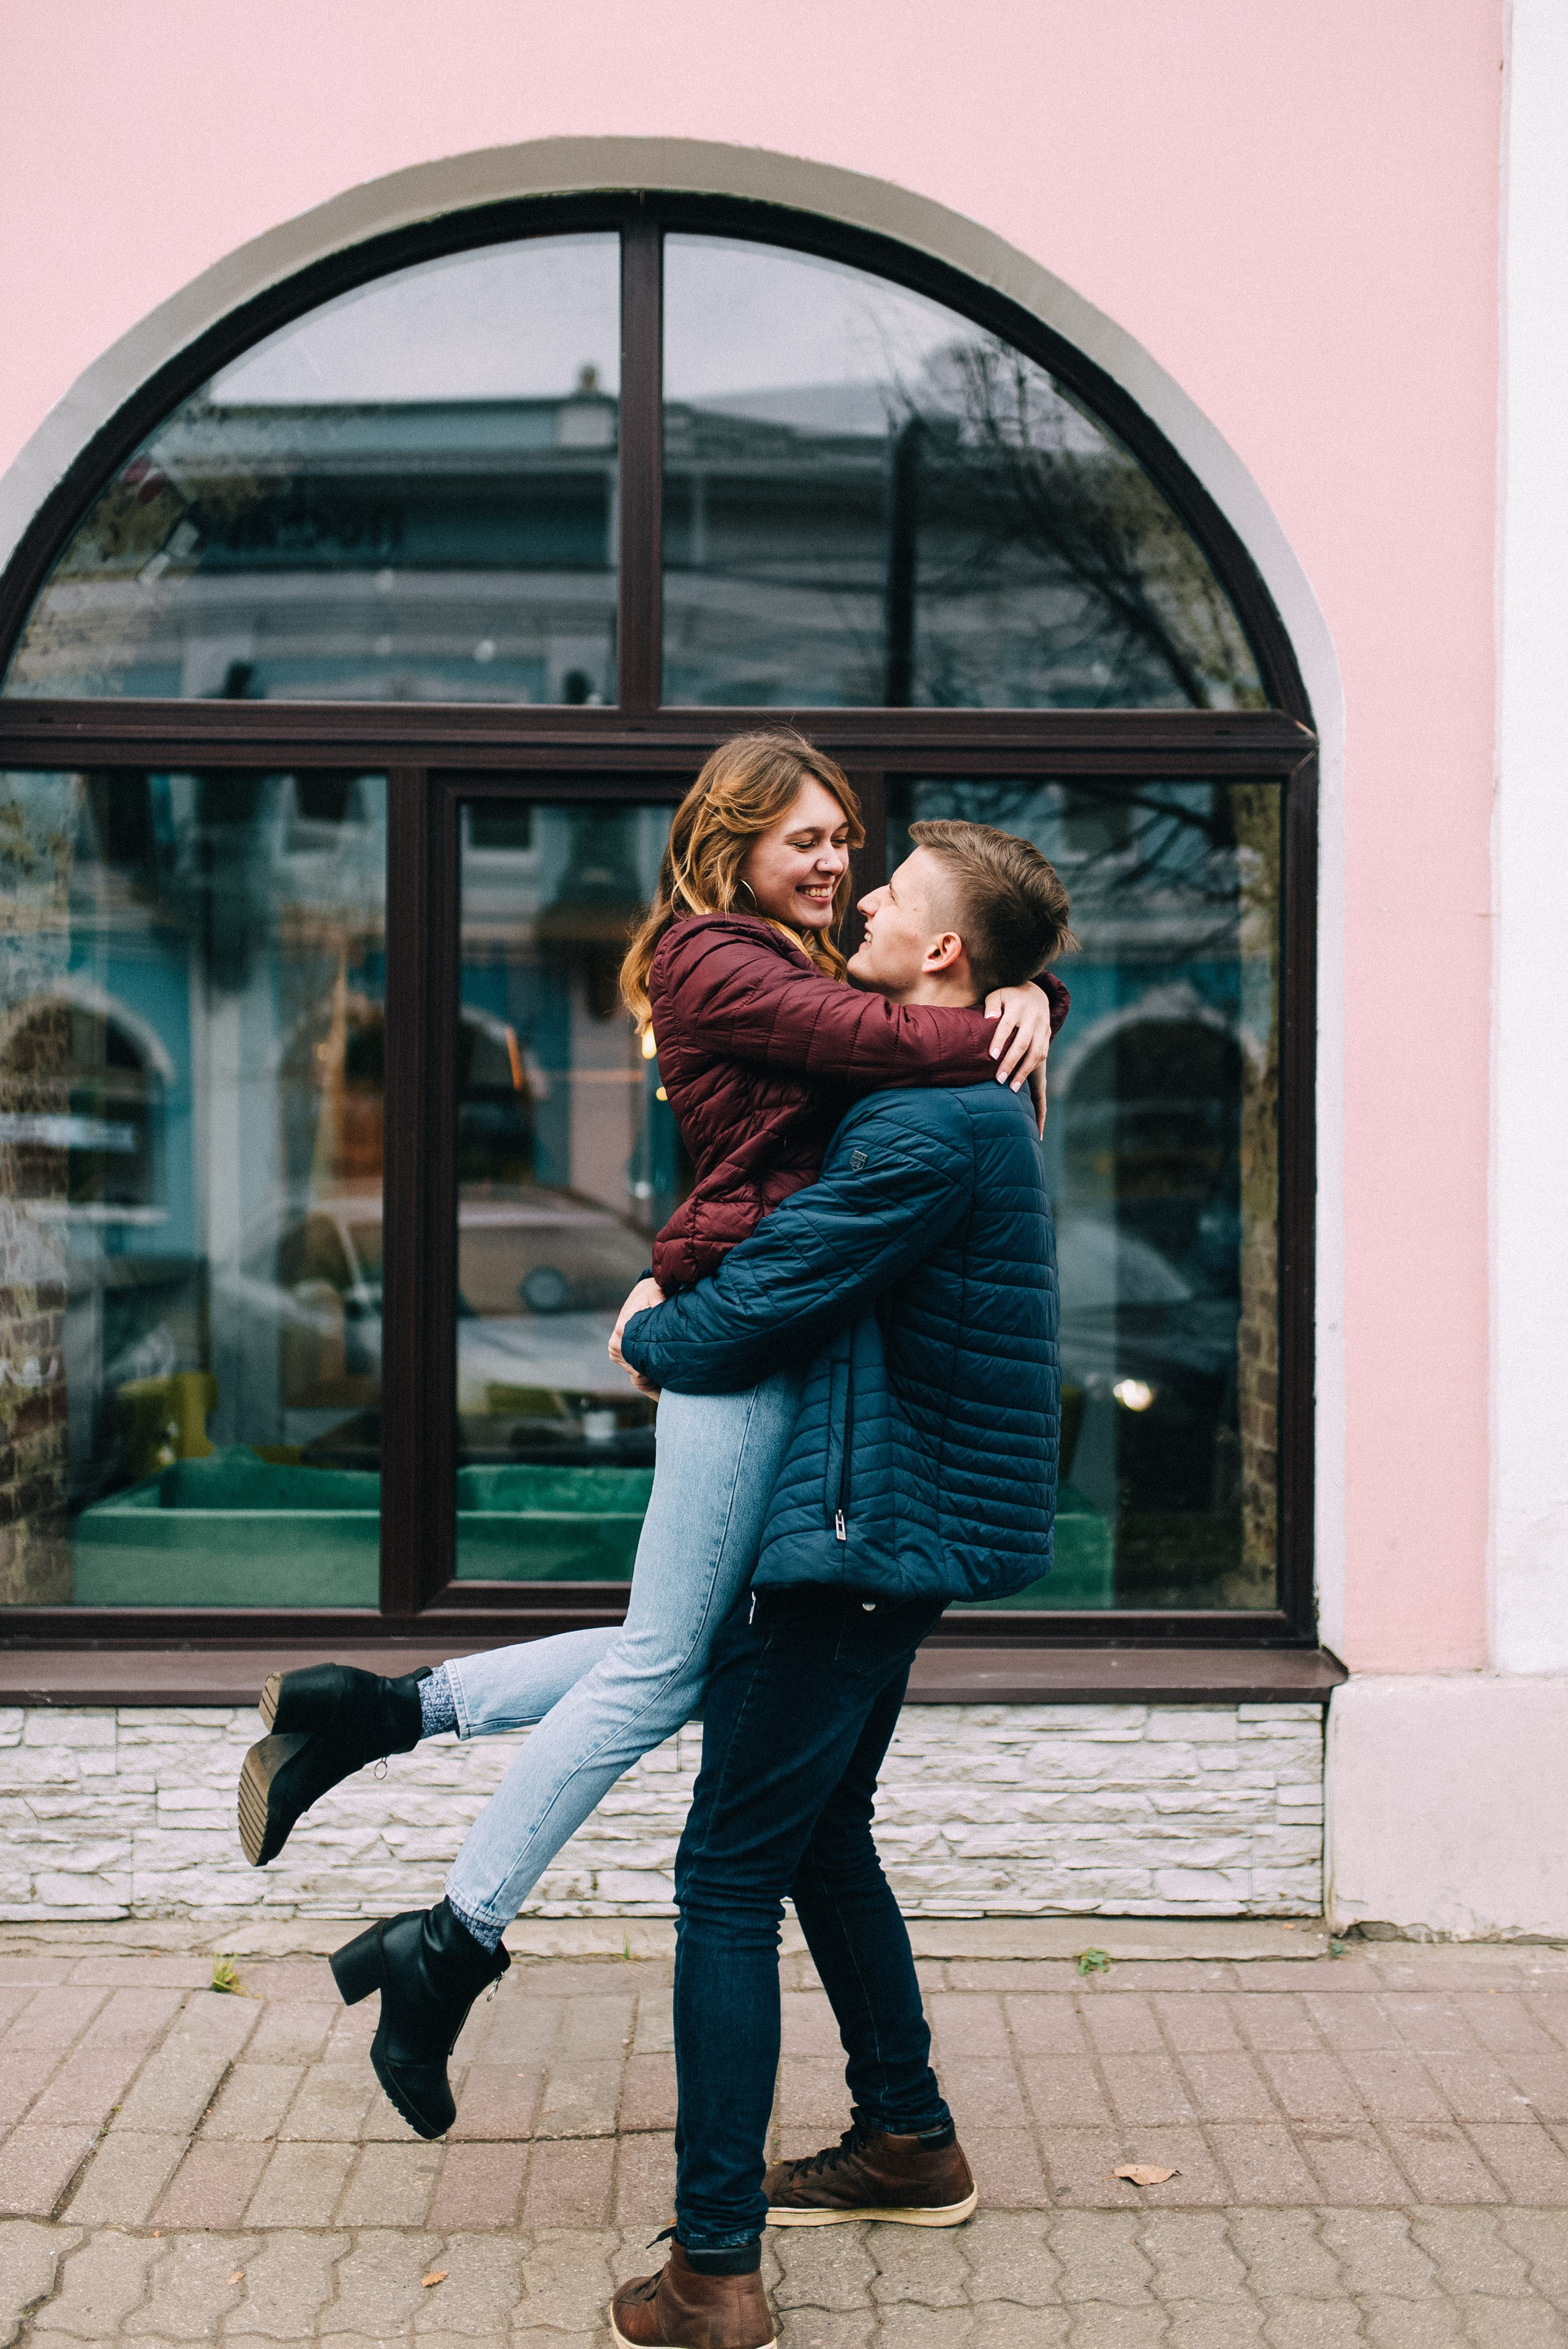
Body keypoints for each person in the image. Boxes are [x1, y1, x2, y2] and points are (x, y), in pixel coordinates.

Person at [236, 733, 1069, 2141]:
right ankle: (449, 1942)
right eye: (803, 837)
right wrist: (1015, 1003)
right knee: (660, 1669)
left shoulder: (806, 961)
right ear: (727, 835)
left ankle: (378, 1719)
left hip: (762, 1336)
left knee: (671, 1658)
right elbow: (888, 1039)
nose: (836, 864)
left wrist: (1024, 980)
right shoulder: (708, 957)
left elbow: (911, 997)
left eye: (844, 842)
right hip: (734, 1342)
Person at [606, 818, 1071, 2349]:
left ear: (942, 952)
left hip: (861, 1539)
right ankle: (904, 2137)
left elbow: (770, 1299)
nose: (859, 896)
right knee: (816, 1831)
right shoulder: (954, 1085)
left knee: (725, 1873)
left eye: (889, 893)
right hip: (886, 1526)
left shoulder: (929, 1130)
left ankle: (713, 2272)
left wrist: (644, 1340)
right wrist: (1040, 996)